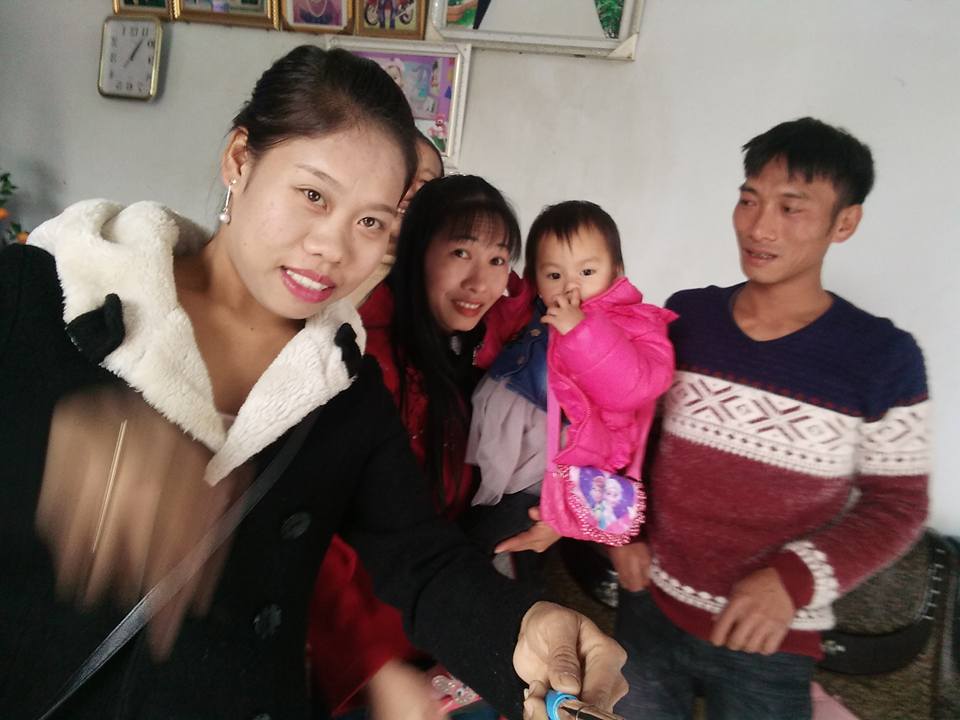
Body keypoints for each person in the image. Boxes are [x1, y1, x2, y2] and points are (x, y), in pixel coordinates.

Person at [0, 46, 627, 720]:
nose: (334, 247)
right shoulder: (36, 300)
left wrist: (524, 630)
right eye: (313, 195)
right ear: (239, 160)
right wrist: (46, 461)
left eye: (370, 222)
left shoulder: (343, 391)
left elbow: (420, 560)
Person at [612, 117, 931, 720]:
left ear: (845, 222)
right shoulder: (688, 318)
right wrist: (625, 534)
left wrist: (791, 581)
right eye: (749, 199)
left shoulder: (884, 358)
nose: (759, 227)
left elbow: (899, 505)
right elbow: (631, 439)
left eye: (791, 207)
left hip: (770, 639)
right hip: (647, 602)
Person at [310, 173, 532, 719]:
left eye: (498, 260)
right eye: (460, 252)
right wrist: (375, 666)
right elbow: (322, 530)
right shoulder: (367, 361)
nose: (479, 281)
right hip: (371, 656)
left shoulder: (468, 344)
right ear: (414, 251)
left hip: (437, 624)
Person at [463, 201, 675, 559]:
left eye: (587, 271)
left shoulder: (634, 323)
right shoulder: (537, 311)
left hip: (554, 462)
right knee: (481, 526)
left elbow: (634, 388)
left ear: (616, 271)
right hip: (500, 445)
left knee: (496, 537)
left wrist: (582, 332)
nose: (570, 286)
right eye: (554, 275)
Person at [345, 129, 443, 308]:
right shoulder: (325, 254)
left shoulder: (435, 283)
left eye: (425, 183)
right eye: (398, 174)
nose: (408, 191)